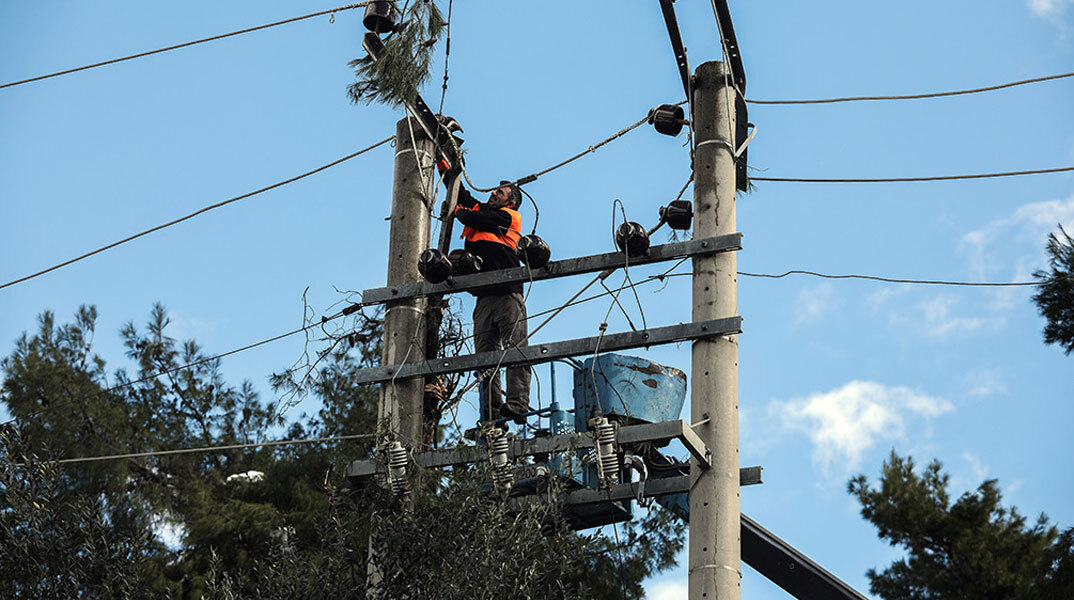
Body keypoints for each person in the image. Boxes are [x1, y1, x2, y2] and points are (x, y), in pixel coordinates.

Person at [452, 180, 532, 424]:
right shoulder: (484, 210)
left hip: (507, 293)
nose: (493, 193)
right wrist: (448, 167)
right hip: (484, 297)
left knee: (515, 348)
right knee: (485, 359)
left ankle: (518, 404)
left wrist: (457, 212)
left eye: (500, 193)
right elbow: (462, 195)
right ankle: (491, 413)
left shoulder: (509, 217)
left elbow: (474, 218)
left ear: (510, 201)